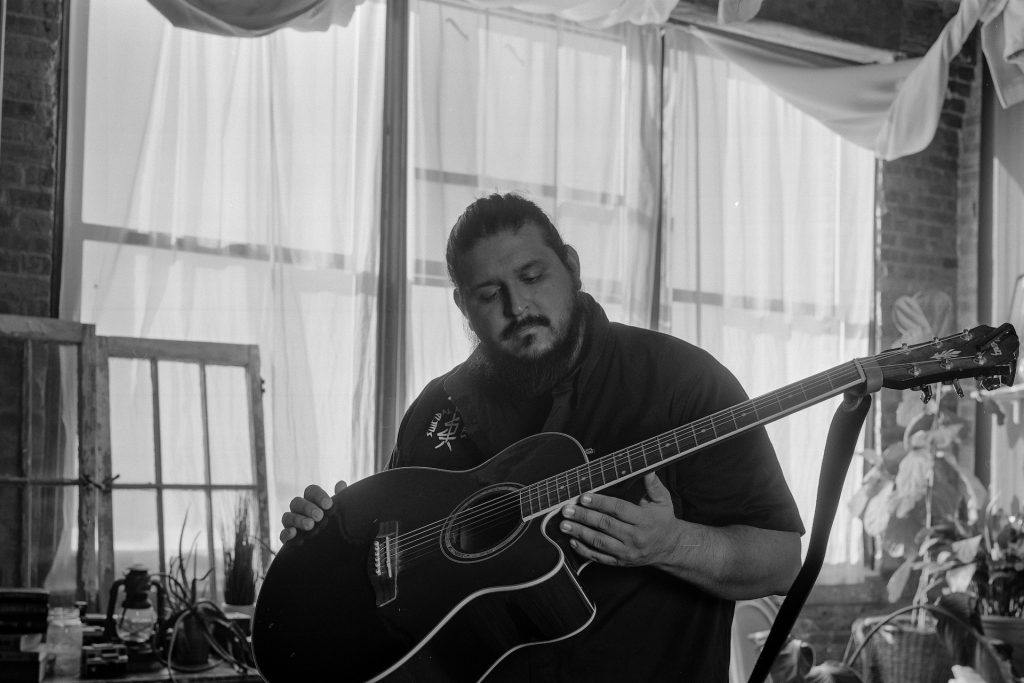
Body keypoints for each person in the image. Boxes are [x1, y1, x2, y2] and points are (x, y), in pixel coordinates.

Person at [280, 193, 804, 681]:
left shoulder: (681, 380)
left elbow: (780, 560)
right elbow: (393, 561)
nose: (518, 306)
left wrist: (670, 544)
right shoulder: (436, 408)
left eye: (533, 276)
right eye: (489, 295)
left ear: (572, 267)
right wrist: (330, 544)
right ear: (463, 306)